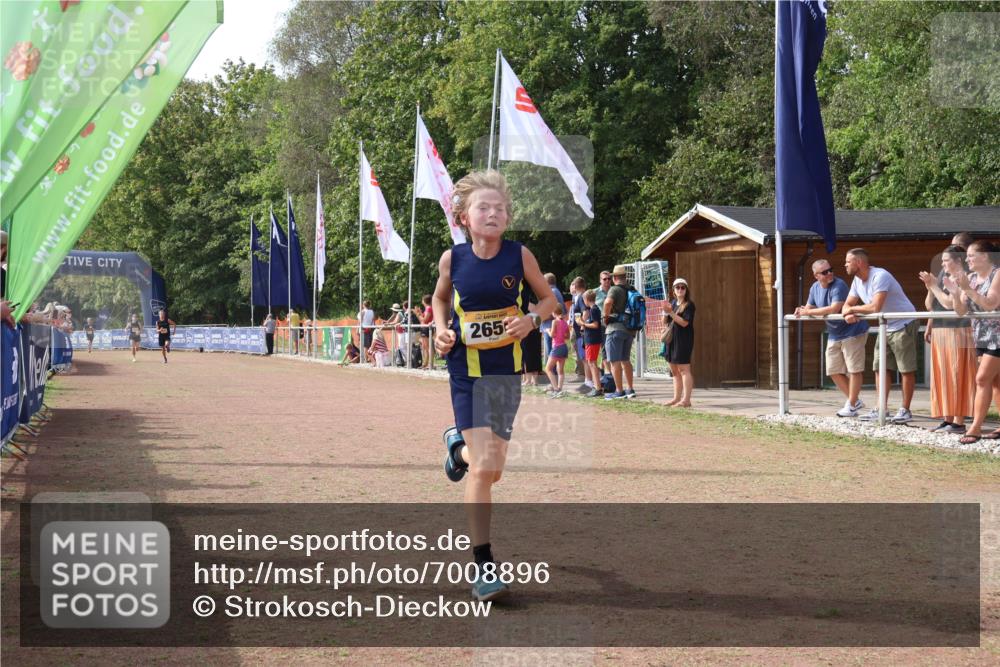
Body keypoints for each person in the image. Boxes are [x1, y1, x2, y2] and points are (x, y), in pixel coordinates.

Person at [432, 170, 556, 602]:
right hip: (466, 373)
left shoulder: (520, 256)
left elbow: (549, 299)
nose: (493, 213)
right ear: (464, 217)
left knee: (494, 470)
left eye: (500, 208)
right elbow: (440, 298)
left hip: (505, 373)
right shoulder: (453, 260)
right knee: (485, 468)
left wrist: (532, 319)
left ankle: (456, 450)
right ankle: (483, 566)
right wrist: (441, 329)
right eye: (483, 207)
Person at [841, 249, 917, 423]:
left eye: (848, 261)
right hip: (885, 326)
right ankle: (881, 408)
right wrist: (848, 312)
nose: (845, 265)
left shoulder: (880, 276)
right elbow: (846, 305)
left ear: (859, 262)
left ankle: (905, 410)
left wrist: (852, 310)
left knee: (906, 369)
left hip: (903, 323)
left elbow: (875, 307)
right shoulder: (857, 281)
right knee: (880, 368)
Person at [795, 259, 869, 417]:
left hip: (853, 331)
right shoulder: (814, 288)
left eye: (830, 269)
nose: (829, 273)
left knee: (854, 369)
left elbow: (834, 309)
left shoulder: (839, 285)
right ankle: (854, 401)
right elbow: (808, 308)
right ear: (816, 276)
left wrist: (808, 312)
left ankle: (851, 405)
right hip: (834, 333)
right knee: (833, 370)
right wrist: (801, 310)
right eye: (825, 272)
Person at [947, 240, 1000, 444]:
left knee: (982, 379)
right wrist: (955, 293)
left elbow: (990, 304)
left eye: (970, 256)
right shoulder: (970, 278)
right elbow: (961, 311)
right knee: (995, 382)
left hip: (997, 336)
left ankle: (975, 428)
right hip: (981, 335)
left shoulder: (997, 274)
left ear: (985, 256)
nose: (967, 259)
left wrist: (967, 289)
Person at [919, 245, 976, 433]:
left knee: (956, 374)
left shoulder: (964, 278)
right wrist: (930, 287)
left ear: (958, 260)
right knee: (942, 375)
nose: (943, 264)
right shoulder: (944, 276)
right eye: (942, 260)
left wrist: (934, 286)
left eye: (946, 260)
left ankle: (958, 421)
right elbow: (930, 305)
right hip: (940, 330)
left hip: (958, 331)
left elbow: (949, 303)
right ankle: (947, 418)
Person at [602, 265, 636, 399]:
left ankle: (619, 391)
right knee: (625, 360)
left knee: (614, 361)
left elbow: (607, 302)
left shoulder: (614, 289)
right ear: (625, 277)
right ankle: (630, 389)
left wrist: (605, 316)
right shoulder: (632, 289)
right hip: (630, 330)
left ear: (614, 278)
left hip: (615, 329)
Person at [578, 289, 604, 397]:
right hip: (590, 339)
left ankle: (597, 388)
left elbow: (595, 325)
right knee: (591, 362)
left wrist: (583, 323)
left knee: (592, 363)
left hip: (592, 340)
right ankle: (596, 386)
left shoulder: (594, 309)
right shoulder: (593, 309)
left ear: (586, 299)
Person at [544, 303, 569, 397]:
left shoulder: (554, 321)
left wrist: (547, 330)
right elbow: (567, 336)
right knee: (560, 370)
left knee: (548, 369)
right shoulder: (565, 322)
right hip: (564, 347)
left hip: (557, 347)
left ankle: (555, 389)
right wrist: (560, 334)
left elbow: (552, 335)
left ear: (554, 312)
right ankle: (559, 388)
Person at [539, 273, 564, 363]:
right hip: (552, 326)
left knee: (551, 354)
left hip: (550, 327)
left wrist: (540, 318)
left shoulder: (551, 292)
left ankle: (552, 371)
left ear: (546, 282)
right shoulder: (556, 291)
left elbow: (553, 311)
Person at [419, 294, 434, 370]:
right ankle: (425, 363)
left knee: (428, 347)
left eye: (422, 300)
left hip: (426, 329)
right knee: (425, 347)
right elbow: (423, 319)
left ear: (424, 301)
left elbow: (425, 320)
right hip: (424, 328)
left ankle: (430, 364)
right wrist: (419, 313)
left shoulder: (428, 308)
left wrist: (418, 314)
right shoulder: (427, 308)